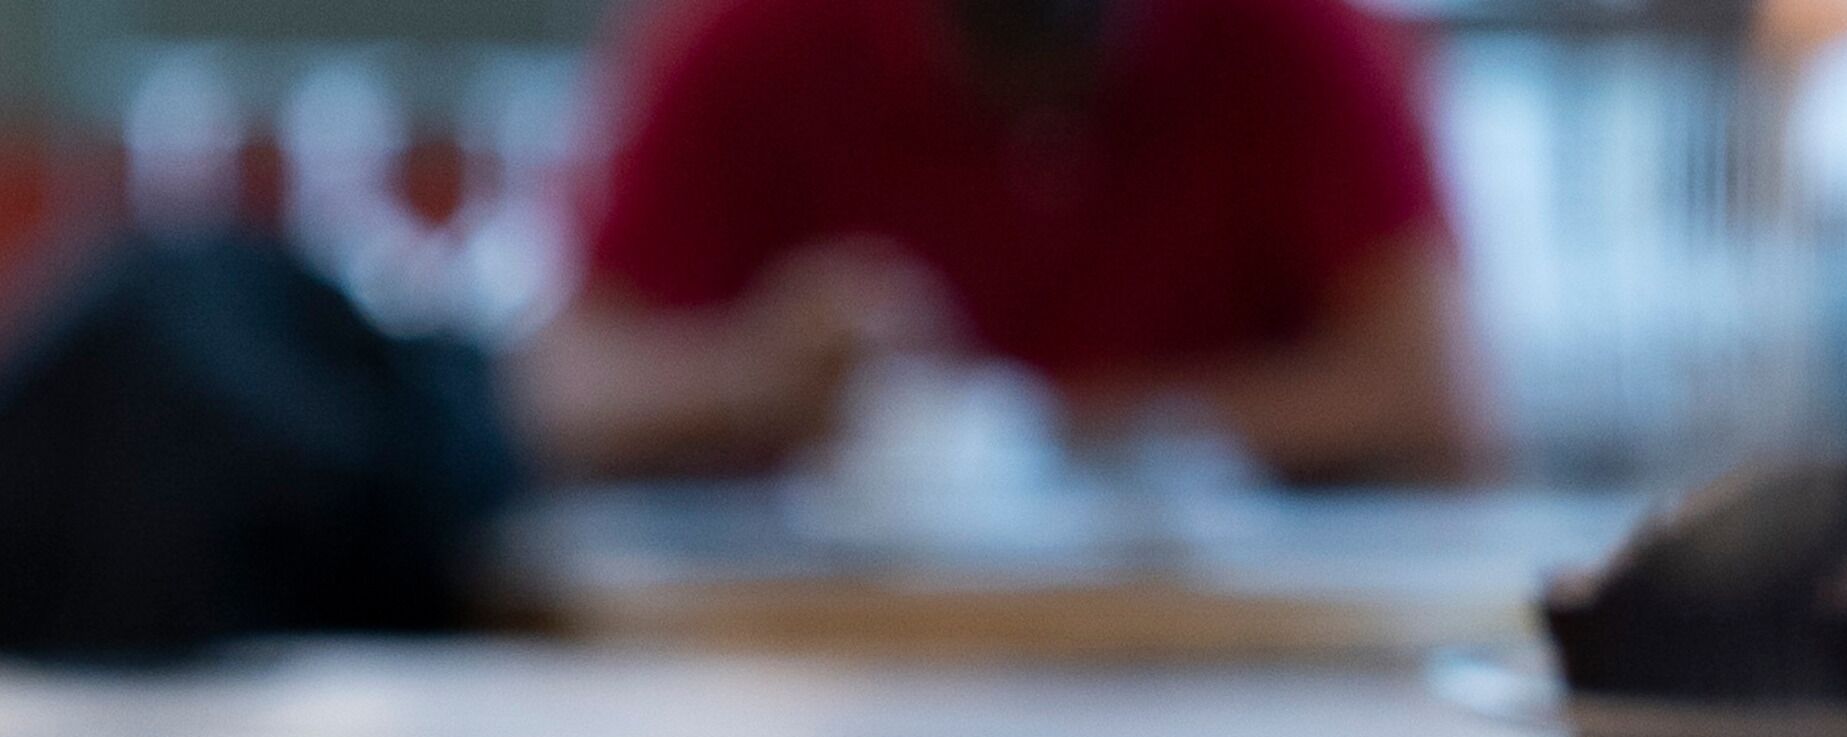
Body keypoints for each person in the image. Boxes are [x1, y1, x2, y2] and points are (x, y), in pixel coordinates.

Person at [512, 0, 1489, 480]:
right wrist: (752, 373)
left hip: (1229, 670)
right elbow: (557, 392)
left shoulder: (1293, 39)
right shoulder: (749, 40)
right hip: (828, 665)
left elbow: (1441, 402)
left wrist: (1050, 432)